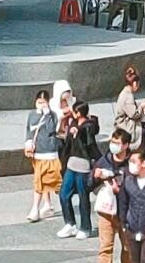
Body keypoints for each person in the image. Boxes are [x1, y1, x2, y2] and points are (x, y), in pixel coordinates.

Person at [91, 130, 134, 263]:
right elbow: (91, 182)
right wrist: (96, 176)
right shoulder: (104, 160)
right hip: (106, 209)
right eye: (112, 142)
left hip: (126, 211)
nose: (114, 146)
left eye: (118, 143)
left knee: (127, 247)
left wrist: (119, 187)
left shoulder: (133, 162)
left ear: (126, 145)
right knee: (105, 246)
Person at [56, 100, 98, 239]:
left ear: (79, 113)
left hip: (83, 166)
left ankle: (85, 227)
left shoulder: (89, 126)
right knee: (63, 194)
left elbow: (89, 135)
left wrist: (78, 131)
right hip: (71, 164)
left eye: (74, 112)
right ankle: (70, 223)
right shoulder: (73, 123)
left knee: (83, 197)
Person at [25, 89, 61, 223]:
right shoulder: (31, 115)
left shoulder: (52, 115)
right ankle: (47, 204)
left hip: (49, 151)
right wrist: (28, 143)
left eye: (43, 102)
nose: (40, 104)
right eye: (39, 102)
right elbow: (28, 130)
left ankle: (35, 208)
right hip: (37, 152)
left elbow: (52, 129)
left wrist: (47, 114)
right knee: (41, 179)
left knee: (39, 180)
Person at [113, 67, 145, 150]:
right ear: (135, 83)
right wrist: (141, 106)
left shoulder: (126, 92)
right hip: (125, 124)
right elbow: (134, 114)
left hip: (124, 120)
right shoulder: (128, 96)